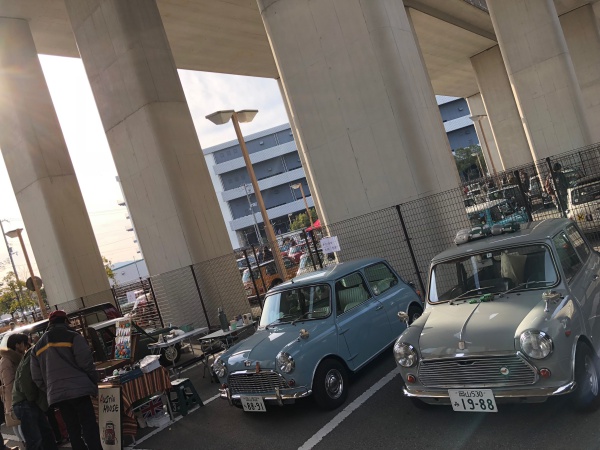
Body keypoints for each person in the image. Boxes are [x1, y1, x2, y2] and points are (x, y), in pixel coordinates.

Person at [31, 310, 102, 450]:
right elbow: (86, 363)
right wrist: (94, 381)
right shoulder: (73, 336)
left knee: (72, 429)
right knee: (89, 426)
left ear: (50, 323)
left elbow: (36, 377)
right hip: (79, 390)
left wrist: (50, 389)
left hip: (58, 395)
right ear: (65, 321)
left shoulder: (37, 347)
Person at [12, 340, 59, 450]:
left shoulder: (35, 352)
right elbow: (24, 380)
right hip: (25, 401)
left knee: (45, 435)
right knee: (35, 440)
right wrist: (32, 398)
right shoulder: (35, 353)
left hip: (30, 400)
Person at [0, 334, 28, 450]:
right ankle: (26, 443)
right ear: (17, 345)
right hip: (15, 396)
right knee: (19, 422)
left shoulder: (14, 358)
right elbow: (9, 383)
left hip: (16, 395)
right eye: (23, 343)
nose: (26, 346)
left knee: (18, 423)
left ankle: (26, 443)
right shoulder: (7, 360)